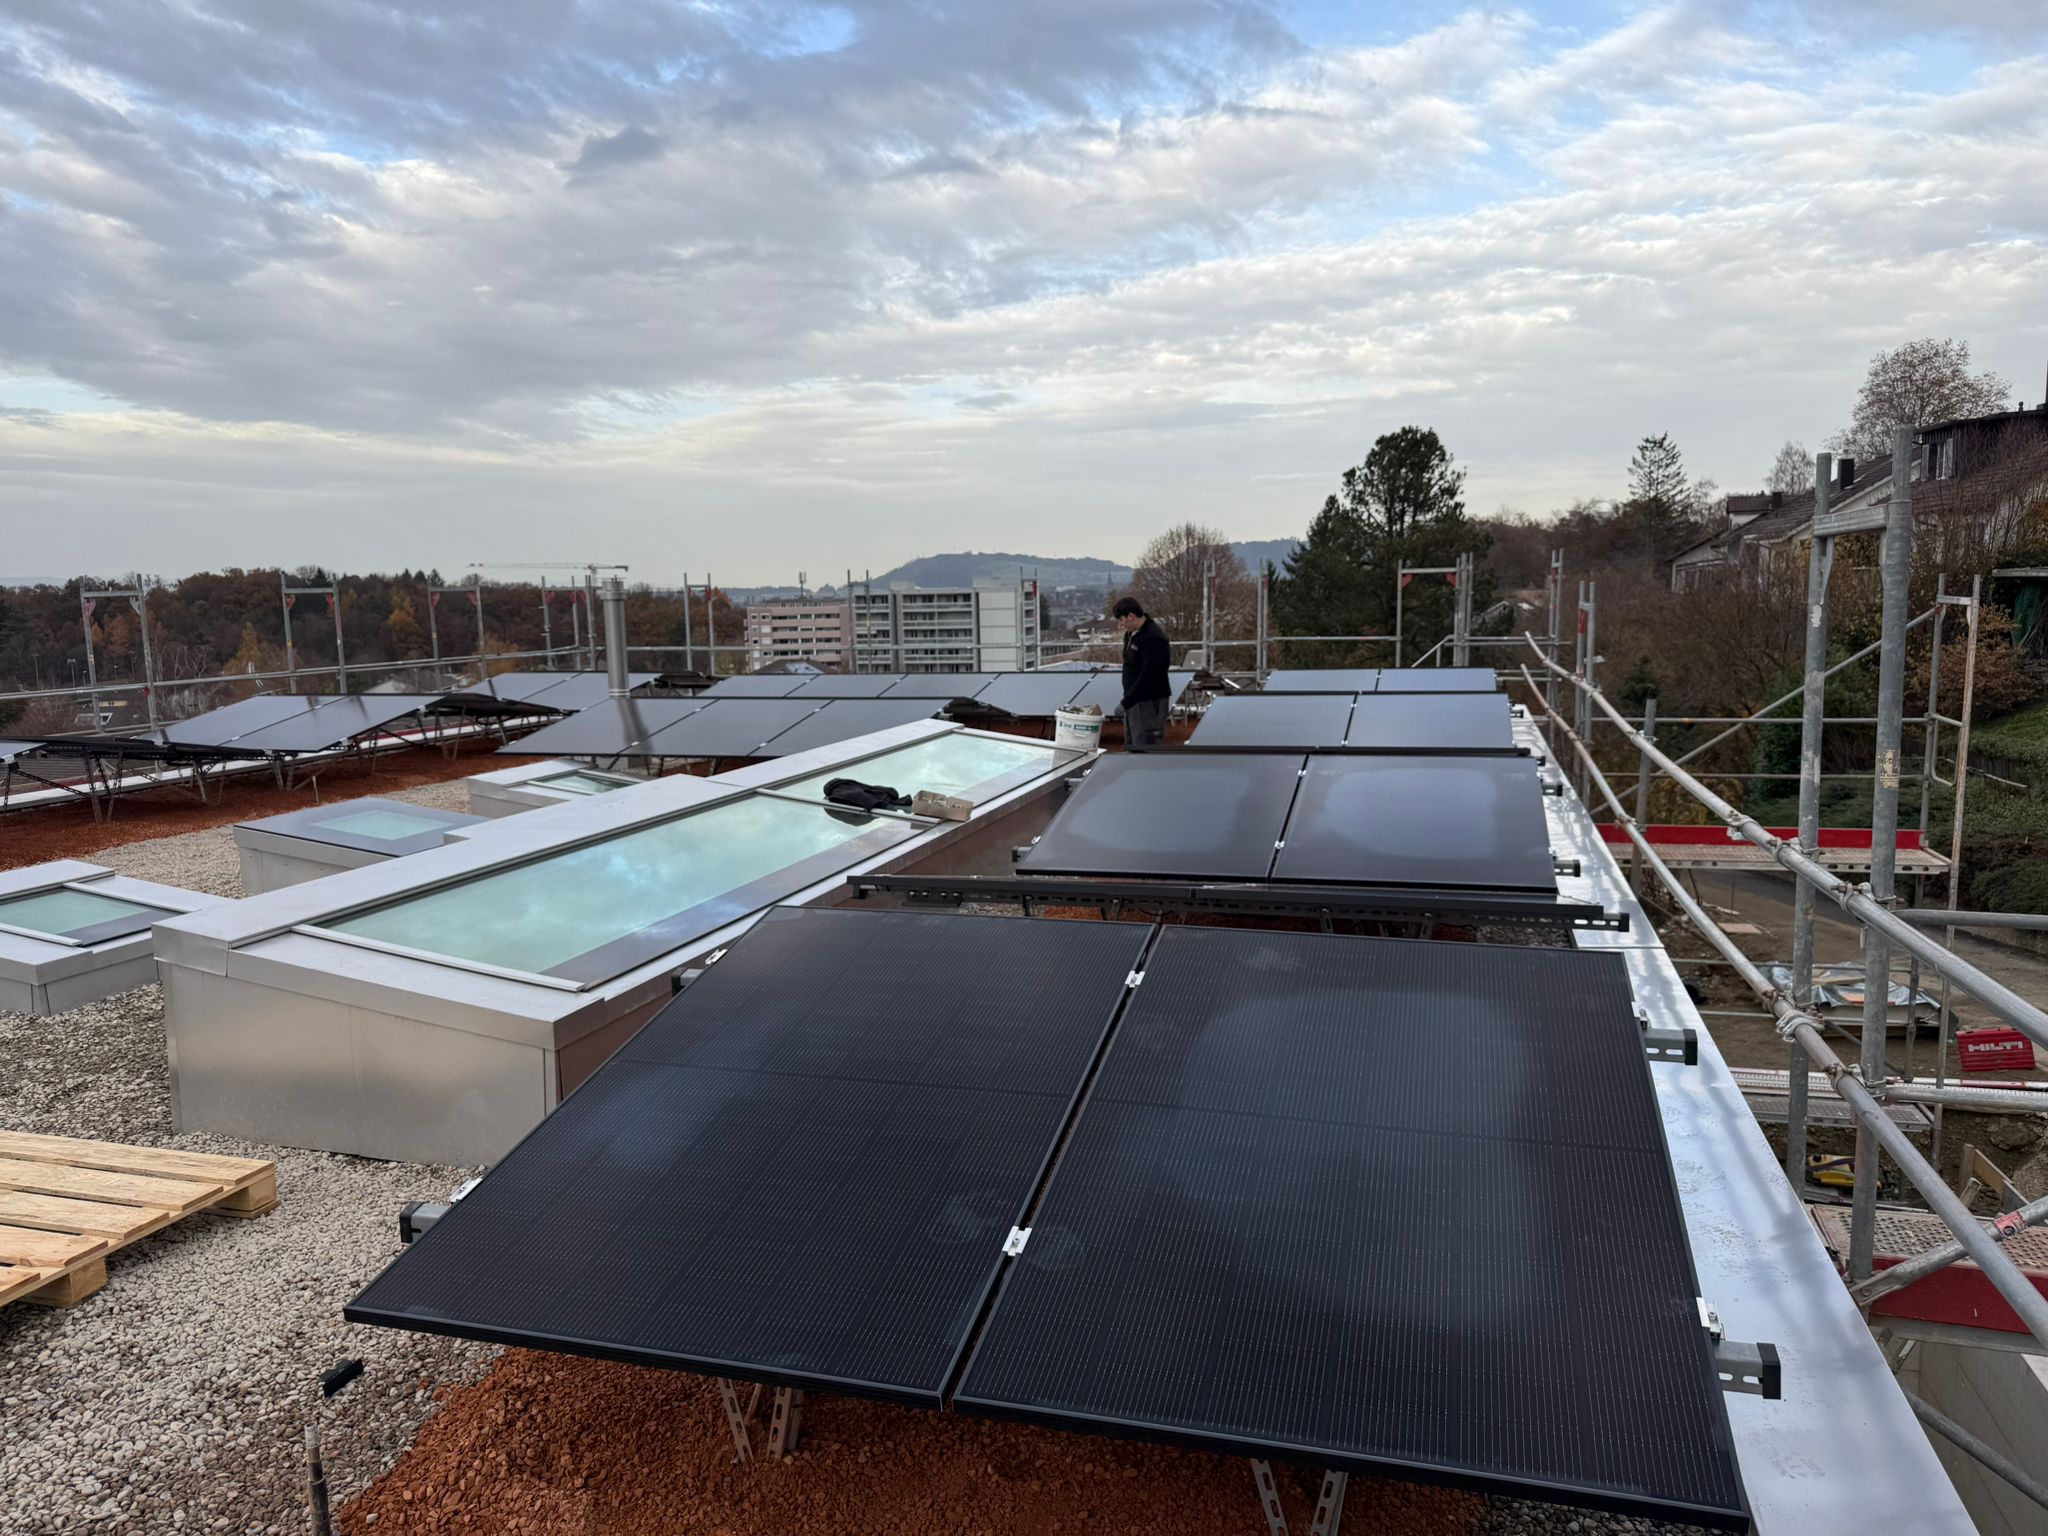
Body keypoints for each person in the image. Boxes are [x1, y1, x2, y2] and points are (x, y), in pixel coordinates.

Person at [1114, 596, 1171, 749]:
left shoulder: (1153, 638)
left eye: (1122, 620)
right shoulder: (1131, 635)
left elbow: (1149, 675)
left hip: (1149, 702)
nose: (1121, 624)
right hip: (1134, 700)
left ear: (1131, 616)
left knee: (1145, 744)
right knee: (1132, 743)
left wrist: (1126, 702)